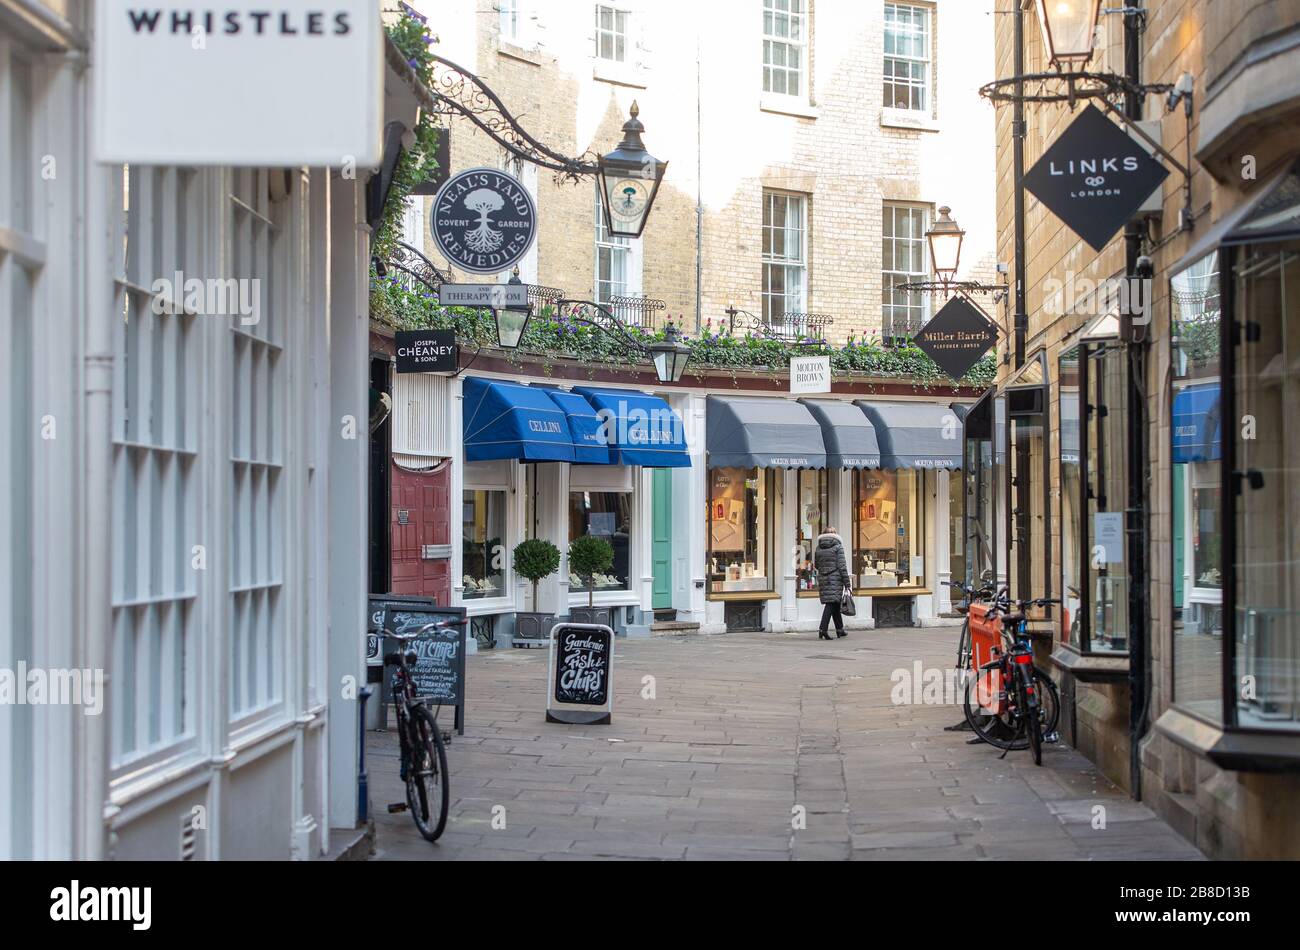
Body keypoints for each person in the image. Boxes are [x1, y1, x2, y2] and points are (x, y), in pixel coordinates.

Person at [814, 527, 851, 640]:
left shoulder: (818, 548)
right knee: (830, 604)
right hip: (835, 579)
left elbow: (816, 565)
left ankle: (840, 629)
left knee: (835, 603)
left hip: (824, 578)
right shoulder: (838, 547)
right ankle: (822, 629)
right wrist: (847, 583)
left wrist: (825, 572)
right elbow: (842, 566)